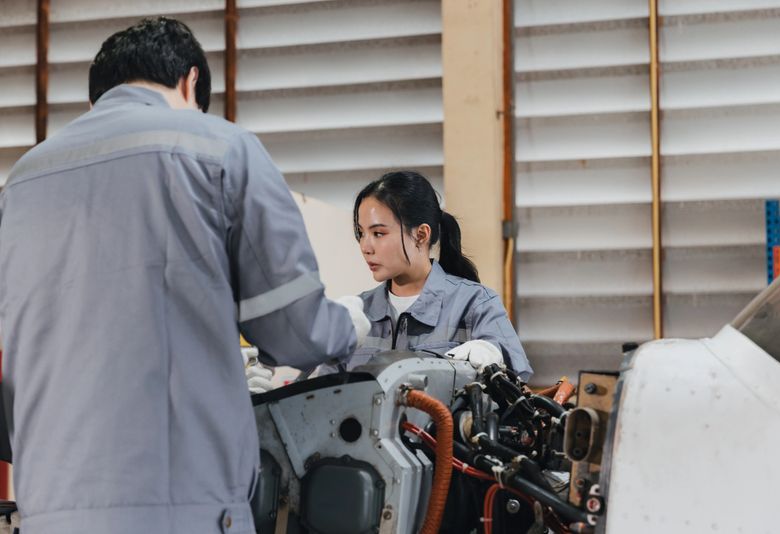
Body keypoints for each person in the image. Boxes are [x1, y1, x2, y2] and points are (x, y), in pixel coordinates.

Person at [0, 17, 368, 534]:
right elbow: (296, 333)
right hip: (182, 510)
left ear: (95, 100)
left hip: (44, 509)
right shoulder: (222, 149)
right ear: (192, 83)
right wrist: (351, 323)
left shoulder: (21, 181)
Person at [332, 170, 533, 381]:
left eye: (378, 233)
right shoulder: (358, 314)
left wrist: (493, 357)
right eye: (361, 233)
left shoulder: (475, 304)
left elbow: (517, 386)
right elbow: (322, 398)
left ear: (421, 235)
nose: (365, 246)